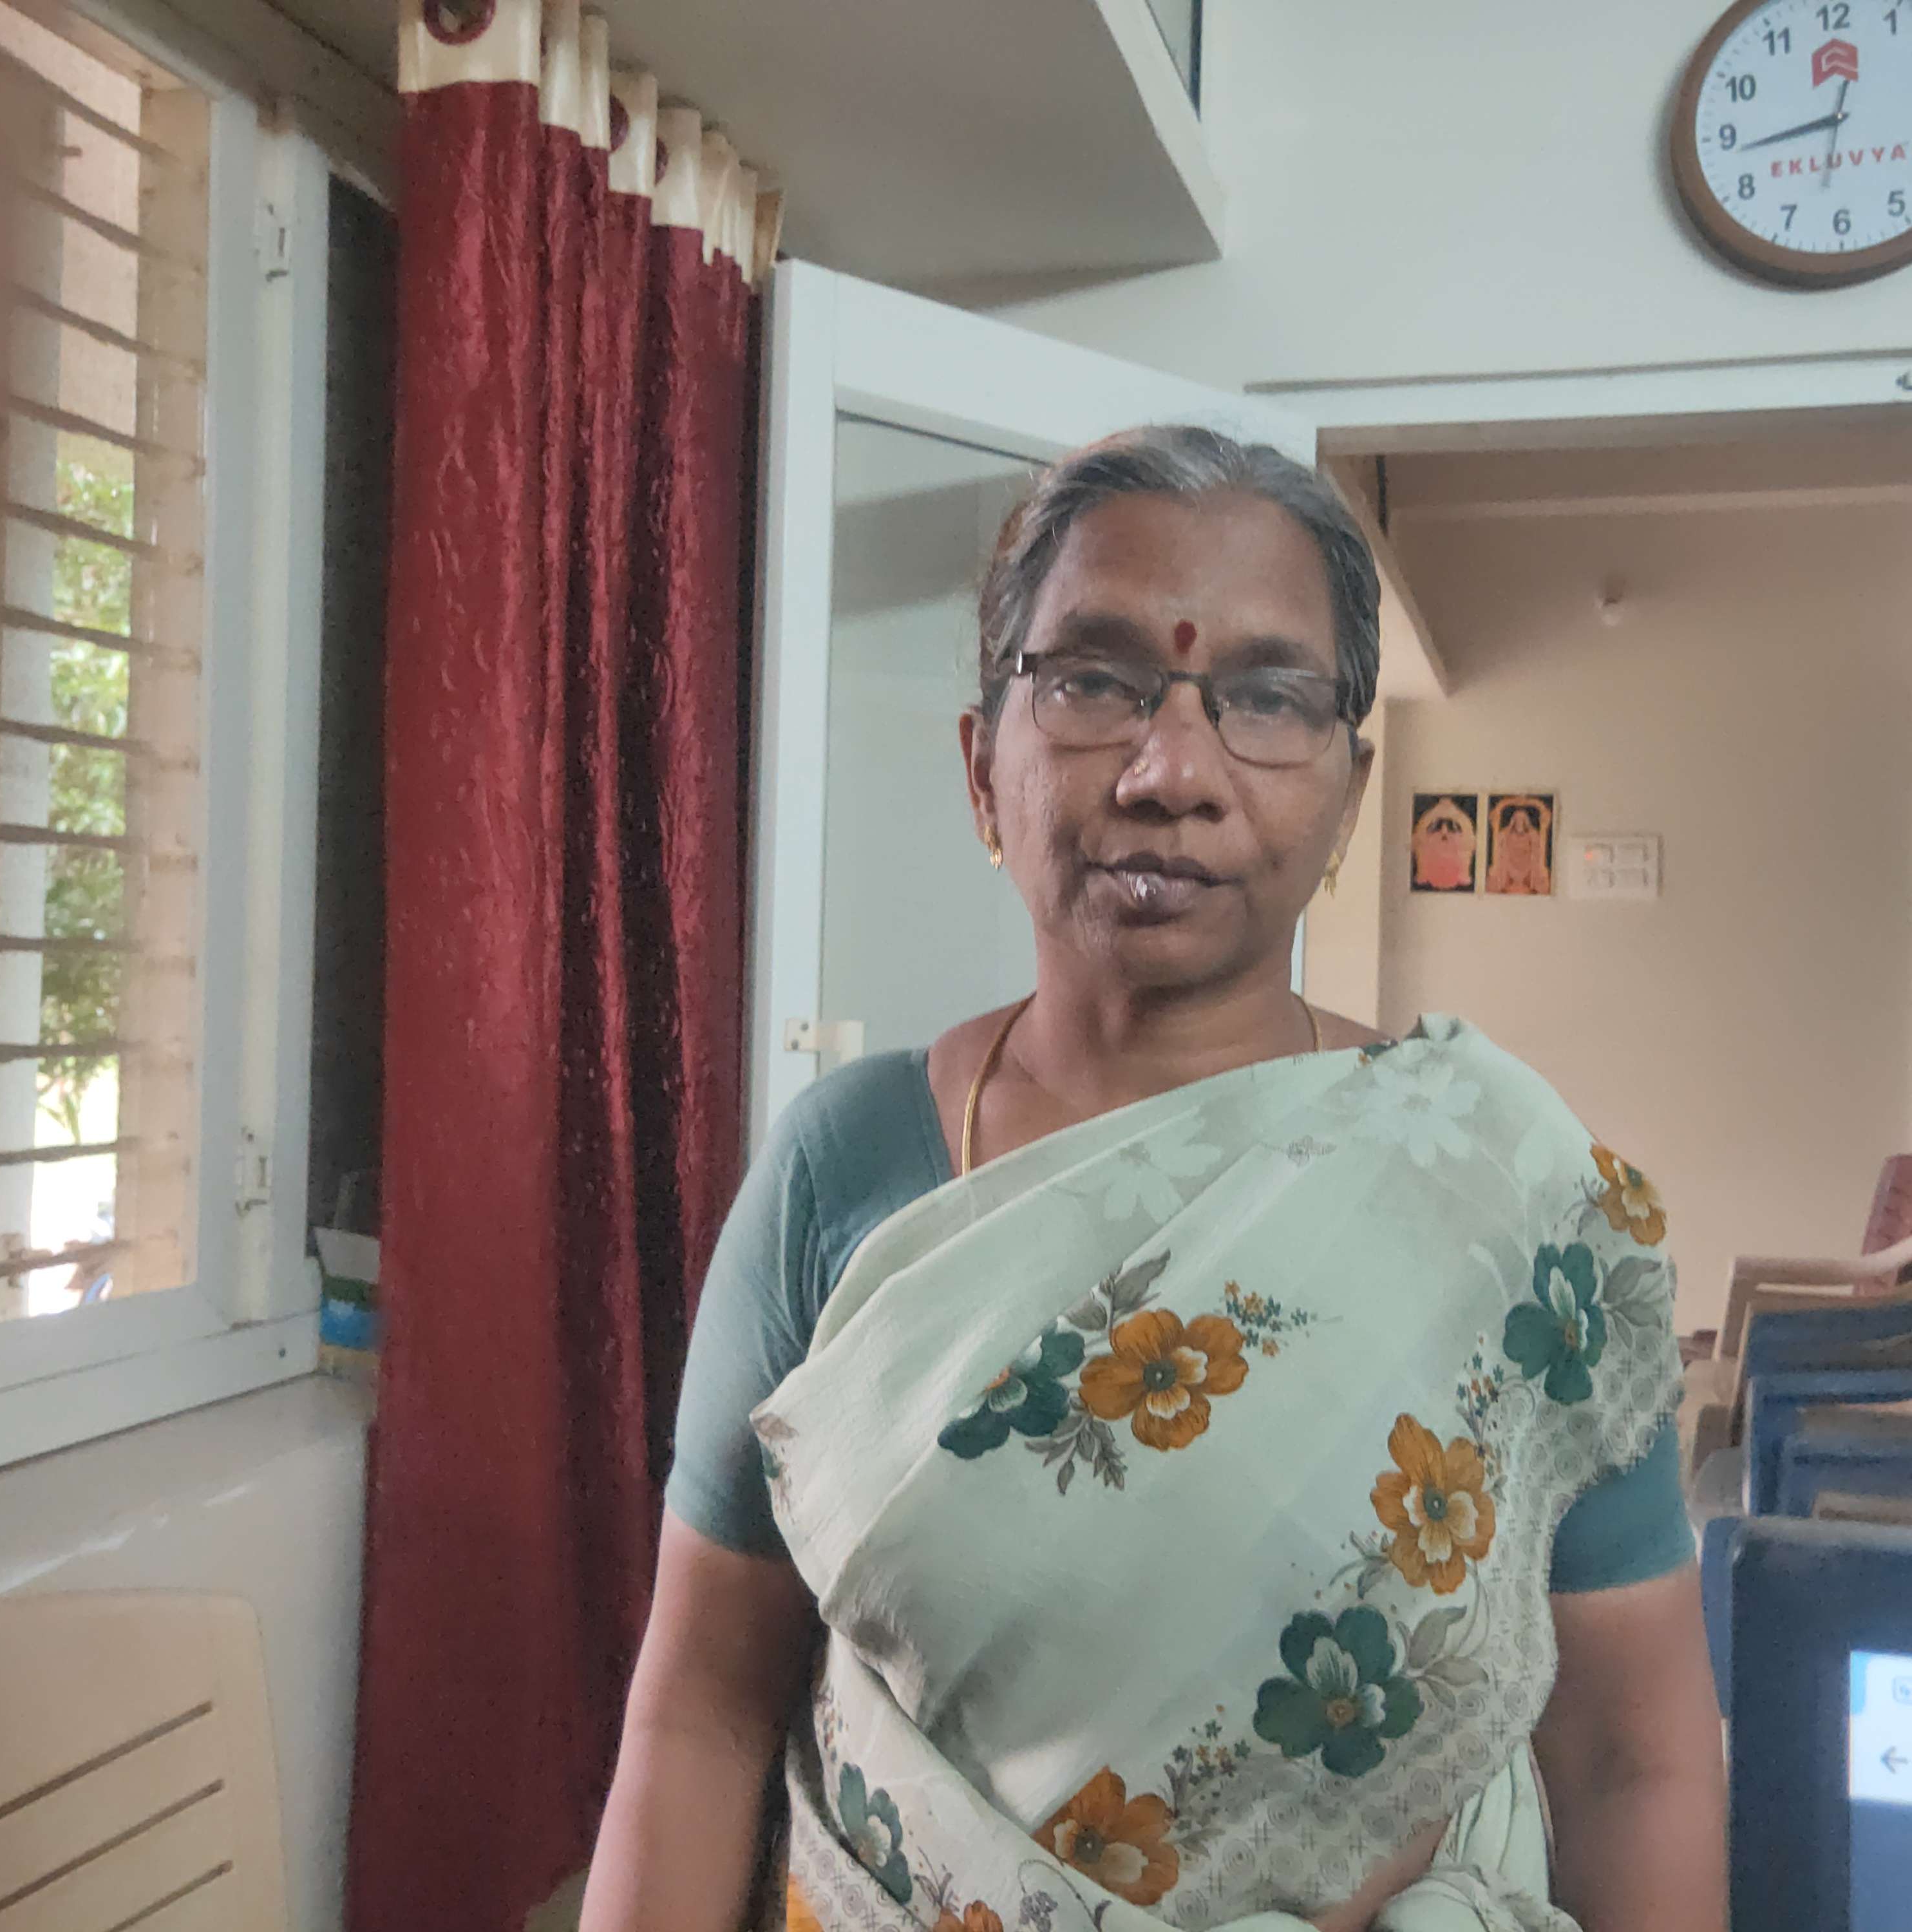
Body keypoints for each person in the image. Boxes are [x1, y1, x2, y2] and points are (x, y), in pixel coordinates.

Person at [583, 428, 1725, 1932]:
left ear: (1345, 793)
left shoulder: (1502, 1199)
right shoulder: (841, 1166)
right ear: (981, 766)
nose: (1170, 771)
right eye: (1092, 681)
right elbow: (701, 1712)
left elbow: (1632, 1756)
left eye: (1266, 698)